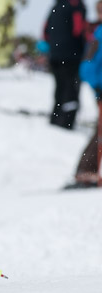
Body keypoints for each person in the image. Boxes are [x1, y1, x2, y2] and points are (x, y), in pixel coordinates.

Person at [70, 1, 102, 188]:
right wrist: (99, 86)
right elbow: (87, 67)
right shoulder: (98, 35)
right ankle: (86, 171)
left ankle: (87, 170)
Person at [43, 0, 87, 130]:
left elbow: (46, 31)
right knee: (70, 90)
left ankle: (55, 119)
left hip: (55, 55)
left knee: (60, 88)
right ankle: (66, 123)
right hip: (71, 56)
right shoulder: (76, 6)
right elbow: (78, 30)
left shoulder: (56, 6)